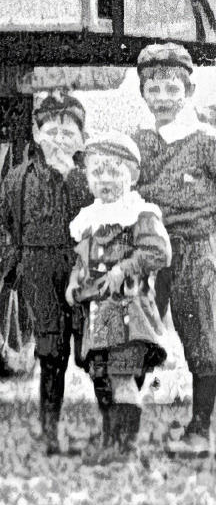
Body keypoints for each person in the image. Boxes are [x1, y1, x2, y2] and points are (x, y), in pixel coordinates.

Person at [0, 93, 94, 456]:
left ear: (82, 137)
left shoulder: (89, 180)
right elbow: (3, 225)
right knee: (51, 351)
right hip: (38, 267)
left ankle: (111, 428)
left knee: (93, 347)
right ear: (36, 134)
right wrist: (16, 262)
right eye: (52, 130)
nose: (60, 139)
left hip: (81, 267)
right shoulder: (18, 180)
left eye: (69, 132)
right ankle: (50, 433)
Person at [66, 125, 176, 460]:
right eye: (96, 172)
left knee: (123, 375)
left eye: (114, 171)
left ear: (130, 175)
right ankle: (111, 436)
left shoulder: (140, 215)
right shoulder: (91, 219)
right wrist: (75, 280)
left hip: (130, 314)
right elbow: (83, 258)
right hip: (98, 314)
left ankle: (125, 445)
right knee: (103, 376)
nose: (105, 179)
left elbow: (160, 253)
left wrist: (123, 268)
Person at [134, 43, 216, 458]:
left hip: (193, 250)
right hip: (149, 251)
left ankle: (200, 428)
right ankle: (123, 431)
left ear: (187, 91)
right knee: (133, 333)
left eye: (171, 89)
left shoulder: (205, 142)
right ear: (143, 93)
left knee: (200, 336)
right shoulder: (138, 143)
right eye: (154, 89)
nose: (163, 97)